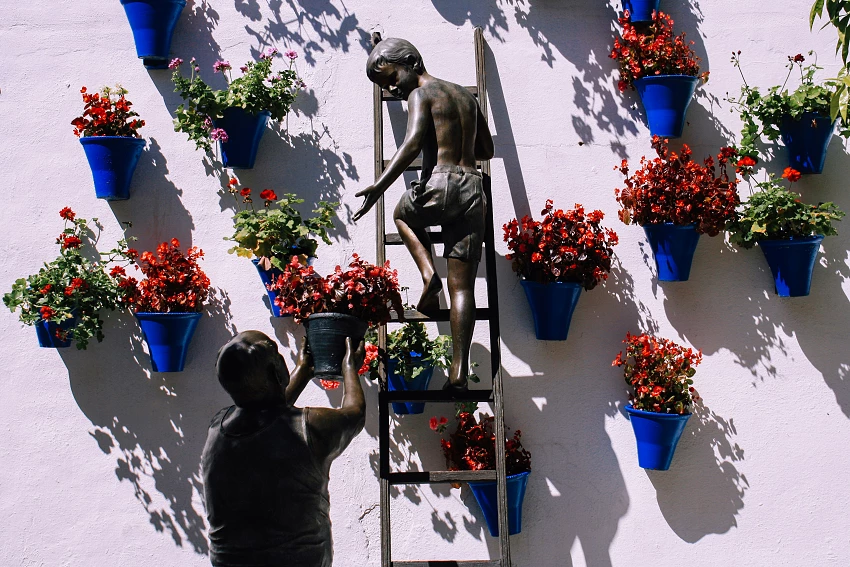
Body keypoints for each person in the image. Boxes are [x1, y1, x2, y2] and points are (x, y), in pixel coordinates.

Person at [354, 36, 495, 391]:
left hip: (442, 181)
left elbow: (412, 142)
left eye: (391, 77)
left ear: (412, 63)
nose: (391, 87)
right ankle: (459, 374)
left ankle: (428, 273)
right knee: (462, 287)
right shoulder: (465, 95)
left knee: (402, 213)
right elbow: (486, 149)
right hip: (473, 189)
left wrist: (378, 186)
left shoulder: (420, 94)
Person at [202, 331, 366, 567]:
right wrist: (350, 366)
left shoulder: (218, 425)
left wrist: (302, 371)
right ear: (276, 371)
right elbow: (355, 415)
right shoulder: (311, 426)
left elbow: (265, 414)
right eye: (276, 352)